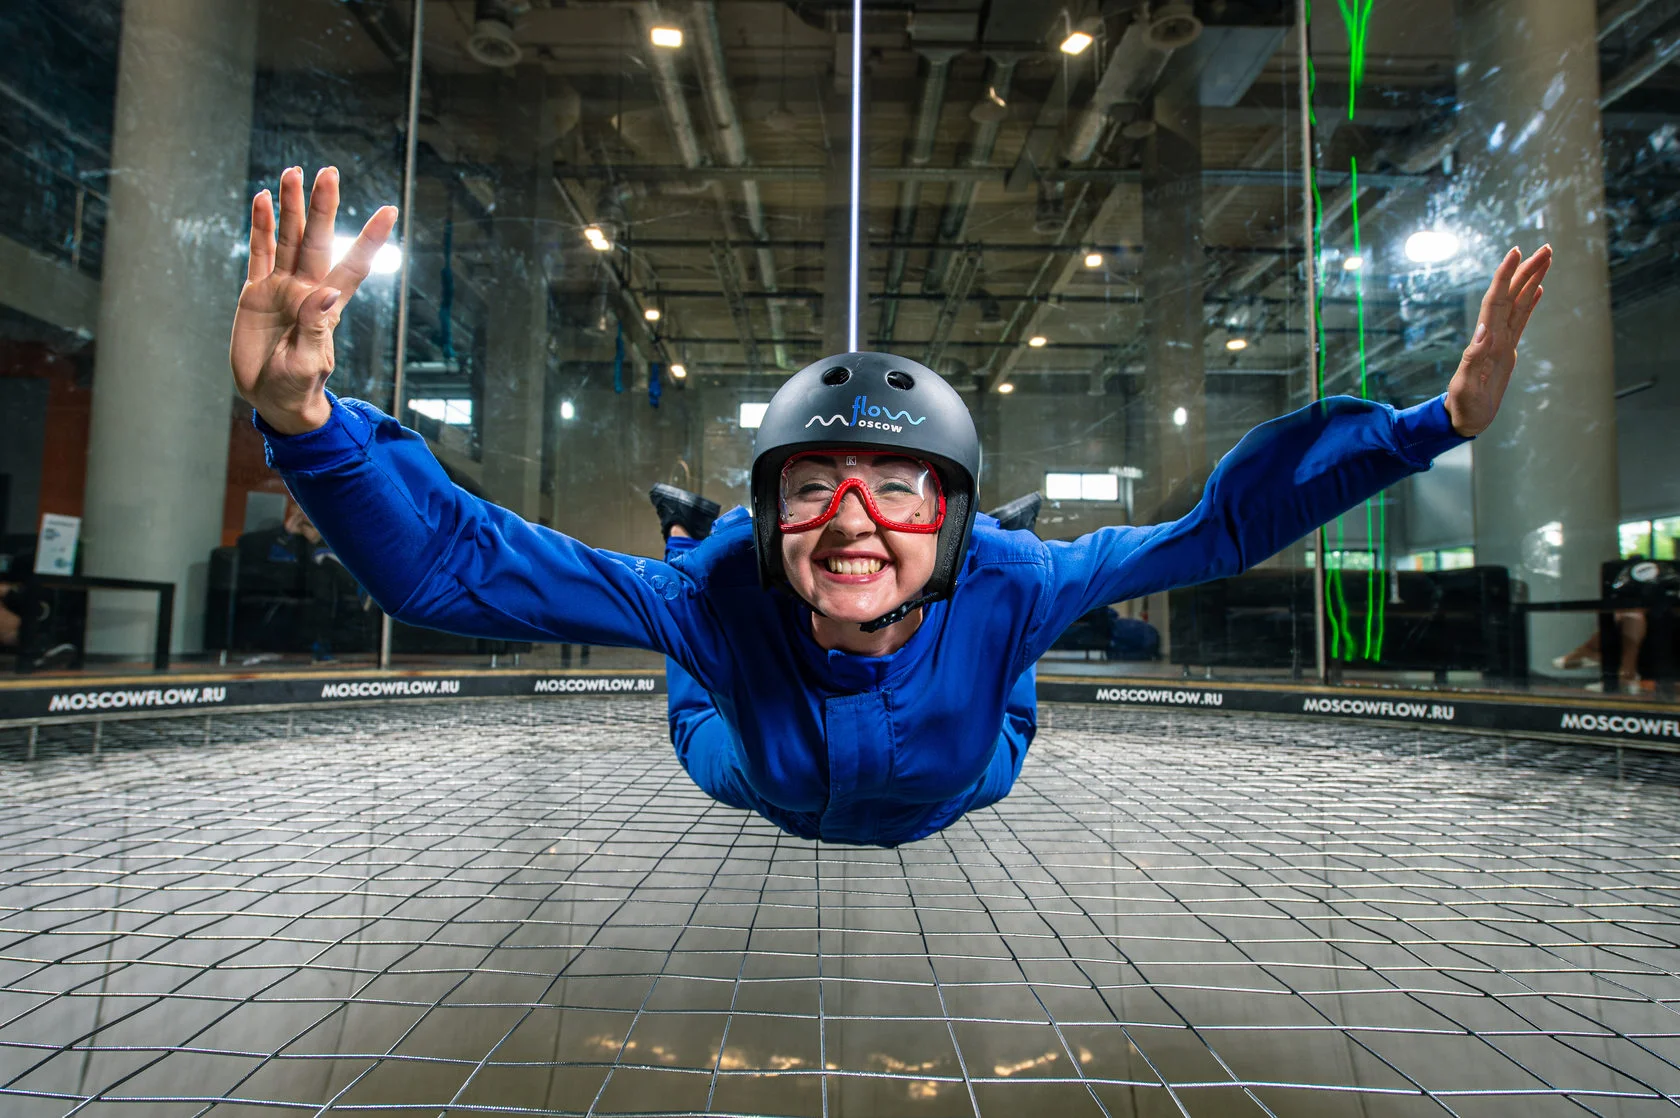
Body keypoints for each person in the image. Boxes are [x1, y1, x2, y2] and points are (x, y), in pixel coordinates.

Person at [231, 166, 1551, 847]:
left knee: (1007, 674)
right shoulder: (719, 589)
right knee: (706, 689)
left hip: (967, 766)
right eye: (812, 485)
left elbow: (1222, 529)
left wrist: (1433, 430)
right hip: (757, 766)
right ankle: (713, 645)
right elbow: (453, 570)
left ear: (959, 523)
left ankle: (992, 674)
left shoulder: (1012, 576)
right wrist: (306, 425)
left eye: (898, 486)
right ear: (770, 515)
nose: (853, 517)